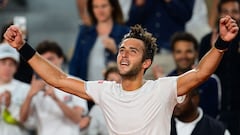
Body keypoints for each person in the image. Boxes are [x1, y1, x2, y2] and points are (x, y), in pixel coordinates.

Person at [3, 15, 239, 134]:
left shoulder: (162, 88)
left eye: (132, 51)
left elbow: (200, 73)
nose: (123, 55)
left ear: (147, 62)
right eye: (121, 50)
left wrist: (221, 43)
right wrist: (23, 47)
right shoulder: (105, 90)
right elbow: (59, 80)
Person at [20, 40, 88, 135]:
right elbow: (22, 119)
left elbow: (77, 119)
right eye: (43, 60)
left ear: (61, 59)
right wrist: (30, 95)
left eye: (50, 59)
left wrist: (56, 99)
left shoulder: (76, 82)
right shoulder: (35, 86)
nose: (47, 63)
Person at [199, 0, 240, 134]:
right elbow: (201, 75)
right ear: (219, 14)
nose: (230, 16)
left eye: (234, 11)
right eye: (225, 12)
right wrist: (214, 51)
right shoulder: (207, 40)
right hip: (214, 110)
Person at [167, 32, 221, 118]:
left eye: (188, 51)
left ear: (196, 53)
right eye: (179, 52)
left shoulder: (211, 81)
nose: (183, 56)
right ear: (173, 54)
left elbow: (213, 116)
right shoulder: (167, 81)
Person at [126, 0, 194, 50]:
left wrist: (170, 2)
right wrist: (139, 5)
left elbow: (186, 15)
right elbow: (131, 22)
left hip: (172, 50)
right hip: (146, 49)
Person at [0, 44, 30, 135]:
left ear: (16, 68)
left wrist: (11, 106)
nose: (7, 68)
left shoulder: (26, 89)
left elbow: (31, 123)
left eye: (11, 64)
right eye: (3, 63)